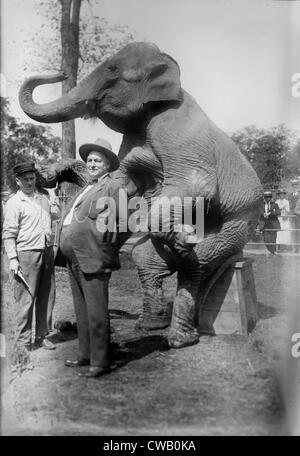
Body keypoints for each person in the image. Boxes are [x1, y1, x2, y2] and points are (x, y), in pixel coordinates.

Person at [59, 138, 124, 378]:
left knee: (96, 312)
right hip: (73, 257)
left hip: (93, 257)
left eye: (98, 160)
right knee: (82, 311)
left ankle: (100, 362)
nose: (93, 164)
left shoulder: (112, 187)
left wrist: (103, 248)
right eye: (90, 160)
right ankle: (85, 355)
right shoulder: (87, 187)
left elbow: (121, 223)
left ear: (107, 164)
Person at [2, 162, 57, 350]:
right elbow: (8, 233)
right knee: (25, 299)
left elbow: (54, 217)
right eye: (24, 179)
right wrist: (13, 259)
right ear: (17, 181)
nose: (29, 182)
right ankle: (23, 343)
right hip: (26, 254)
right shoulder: (14, 203)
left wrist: (54, 197)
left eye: (31, 178)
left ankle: (42, 335)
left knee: (46, 296)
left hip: (47, 251)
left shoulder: (43, 198)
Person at [288, 179, 300, 253]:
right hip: (291, 215)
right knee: (293, 232)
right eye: (293, 185)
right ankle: (294, 248)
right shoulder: (290, 195)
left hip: (298, 215)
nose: (294, 186)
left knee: (299, 231)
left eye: (296, 184)